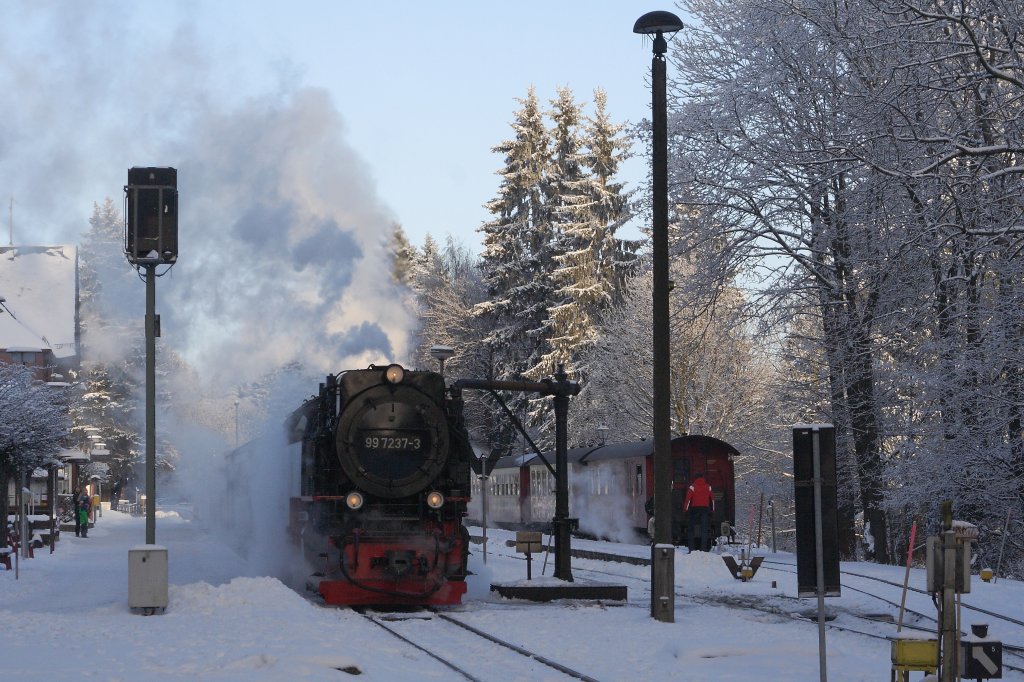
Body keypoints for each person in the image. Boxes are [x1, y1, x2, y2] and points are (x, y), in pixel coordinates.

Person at [683, 473, 714, 552]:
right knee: (704, 530)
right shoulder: (708, 487)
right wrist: (712, 510)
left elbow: (688, 500)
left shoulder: (692, 487)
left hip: (694, 510)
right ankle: (703, 548)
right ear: (703, 478)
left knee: (691, 529)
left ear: (695, 478)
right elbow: (712, 500)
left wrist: (685, 510)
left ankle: (691, 548)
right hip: (705, 510)